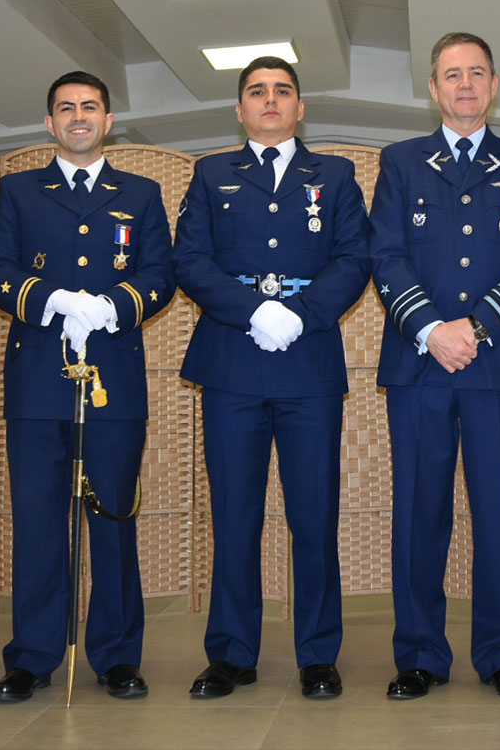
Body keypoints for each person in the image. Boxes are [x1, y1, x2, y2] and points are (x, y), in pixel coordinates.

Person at [171, 57, 371, 700]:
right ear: (239, 109)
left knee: (313, 516)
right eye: (256, 92)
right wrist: (254, 310)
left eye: (282, 91)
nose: (270, 101)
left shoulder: (335, 175)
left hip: (308, 366)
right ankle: (231, 653)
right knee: (234, 515)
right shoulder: (210, 174)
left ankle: (317, 654)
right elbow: (189, 260)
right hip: (232, 363)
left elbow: (354, 258)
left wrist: (302, 315)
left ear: (300, 107)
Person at [0, 71, 175, 702]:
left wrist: (114, 306)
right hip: (38, 379)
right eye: (66, 108)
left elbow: (160, 276)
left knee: (113, 520)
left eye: (90, 107)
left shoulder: (141, 193)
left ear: (108, 120)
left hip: (112, 379)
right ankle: (31, 657)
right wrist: (51, 300)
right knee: (38, 524)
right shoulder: (17, 190)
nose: (79, 116)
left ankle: (117, 656)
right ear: (49, 123)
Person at [369, 32, 500, 701]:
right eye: (453, 74)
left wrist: (474, 329)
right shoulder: (401, 161)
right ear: (433, 88)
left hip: (495, 363)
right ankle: (419, 651)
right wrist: (431, 329)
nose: (466, 84)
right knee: (420, 511)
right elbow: (385, 255)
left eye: (477, 72)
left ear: (495, 84)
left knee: (497, 512)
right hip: (419, 365)